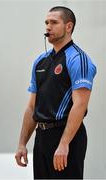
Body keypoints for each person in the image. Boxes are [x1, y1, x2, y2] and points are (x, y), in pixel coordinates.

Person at [15, 6, 97, 179]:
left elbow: (80, 105)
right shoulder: (40, 61)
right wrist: (22, 143)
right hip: (41, 137)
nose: (48, 27)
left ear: (69, 26)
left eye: (54, 22)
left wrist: (64, 144)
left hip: (66, 136)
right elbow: (31, 107)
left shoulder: (78, 59)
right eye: (46, 22)